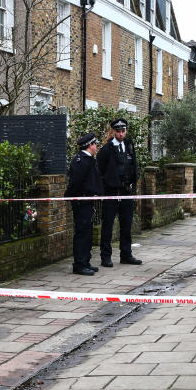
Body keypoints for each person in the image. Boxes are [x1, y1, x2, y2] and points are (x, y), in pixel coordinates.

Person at [97, 118, 142, 267]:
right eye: (118, 131)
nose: (121, 134)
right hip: (112, 192)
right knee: (108, 226)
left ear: (126, 131)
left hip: (126, 191)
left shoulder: (129, 145)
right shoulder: (106, 149)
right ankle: (106, 256)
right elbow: (100, 170)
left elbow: (134, 164)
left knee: (126, 224)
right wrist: (105, 189)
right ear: (114, 132)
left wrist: (133, 182)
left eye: (123, 131)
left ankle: (126, 254)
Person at [66, 132, 103, 275]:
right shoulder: (80, 161)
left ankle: (86, 261)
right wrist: (77, 198)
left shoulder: (89, 159)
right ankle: (79, 265)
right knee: (81, 233)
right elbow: (75, 183)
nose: (96, 147)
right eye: (95, 144)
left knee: (87, 232)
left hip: (88, 201)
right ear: (90, 145)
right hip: (81, 202)